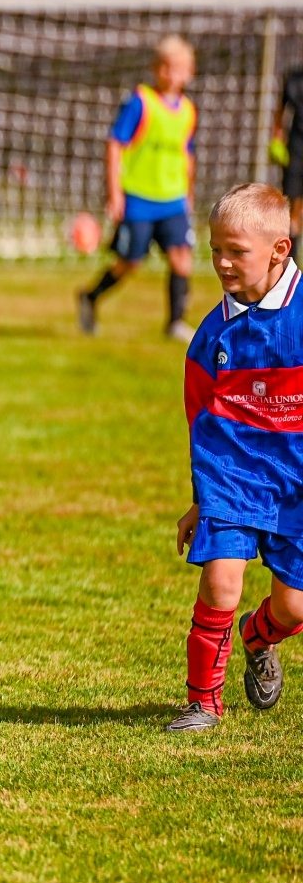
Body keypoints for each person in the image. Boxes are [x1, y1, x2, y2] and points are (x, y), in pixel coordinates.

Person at [169, 183, 301, 733]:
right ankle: (203, 703)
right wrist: (203, 498)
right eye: (214, 248)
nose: (221, 262)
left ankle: (257, 636)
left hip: (296, 484)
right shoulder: (213, 334)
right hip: (232, 478)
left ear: (279, 251)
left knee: (294, 608)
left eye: (235, 251)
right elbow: (201, 419)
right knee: (220, 582)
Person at [78, 35, 198, 342]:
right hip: (139, 199)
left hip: (172, 198)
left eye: (180, 68)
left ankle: (174, 322)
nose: (173, 74)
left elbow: (187, 154)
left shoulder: (188, 111)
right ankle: (90, 297)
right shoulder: (141, 101)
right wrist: (115, 193)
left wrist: (188, 194)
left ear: (190, 72)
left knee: (181, 258)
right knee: (129, 262)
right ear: (156, 69)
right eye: (167, 67)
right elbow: (115, 144)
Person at [269, 63, 303, 258]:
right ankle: (292, 259)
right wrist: (277, 138)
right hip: (296, 150)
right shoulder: (295, 79)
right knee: (292, 207)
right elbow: (280, 112)